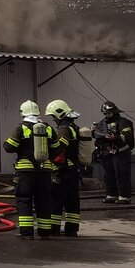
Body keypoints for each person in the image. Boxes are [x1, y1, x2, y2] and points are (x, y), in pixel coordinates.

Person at [4, 100, 59, 239]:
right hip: (45, 171)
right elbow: (57, 148)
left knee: (24, 199)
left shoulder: (22, 128)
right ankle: (45, 232)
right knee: (44, 200)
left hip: (25, 171)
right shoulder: (48, 128)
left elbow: (9, 147)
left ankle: (27, 233)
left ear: (22, 113)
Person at [45, 100, 84, 237]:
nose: (54, 120)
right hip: (73, 171)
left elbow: (59, 149)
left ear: (59, 114)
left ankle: (54, 228)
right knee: (72, 201)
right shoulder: (74, 127)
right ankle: (72, 229)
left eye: (54, 117)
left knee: (56, 200)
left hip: (62, 171)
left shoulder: (63, 129)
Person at [96, 101, 135, 204]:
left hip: (120, 153)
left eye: (108, 113)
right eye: (104, 114)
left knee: (122, 175)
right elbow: (97, 136)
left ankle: (124, 196)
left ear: (114, 111)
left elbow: (127, 136)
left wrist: (115, 137)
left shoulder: (123, 122)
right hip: (107, 153)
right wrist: (94, 131)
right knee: (108, 175)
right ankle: (111, 195)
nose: (106, 116)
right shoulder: (102, 123)